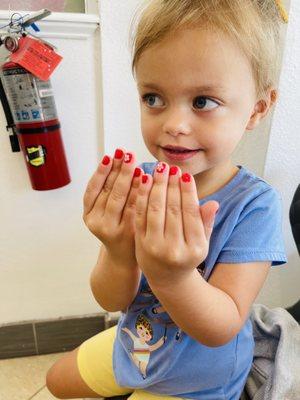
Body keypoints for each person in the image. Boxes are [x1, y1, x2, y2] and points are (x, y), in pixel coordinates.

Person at [46, 1, 289, 399]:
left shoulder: (255, 205)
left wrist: (172, 276)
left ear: (255, 110)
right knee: (57, 380)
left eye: (202, 102)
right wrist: (116, 249)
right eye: (154, 98)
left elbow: (221, 326)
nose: (173, 125)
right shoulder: (141, 181)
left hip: (196, 379)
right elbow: (111, 298)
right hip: (136, 344)